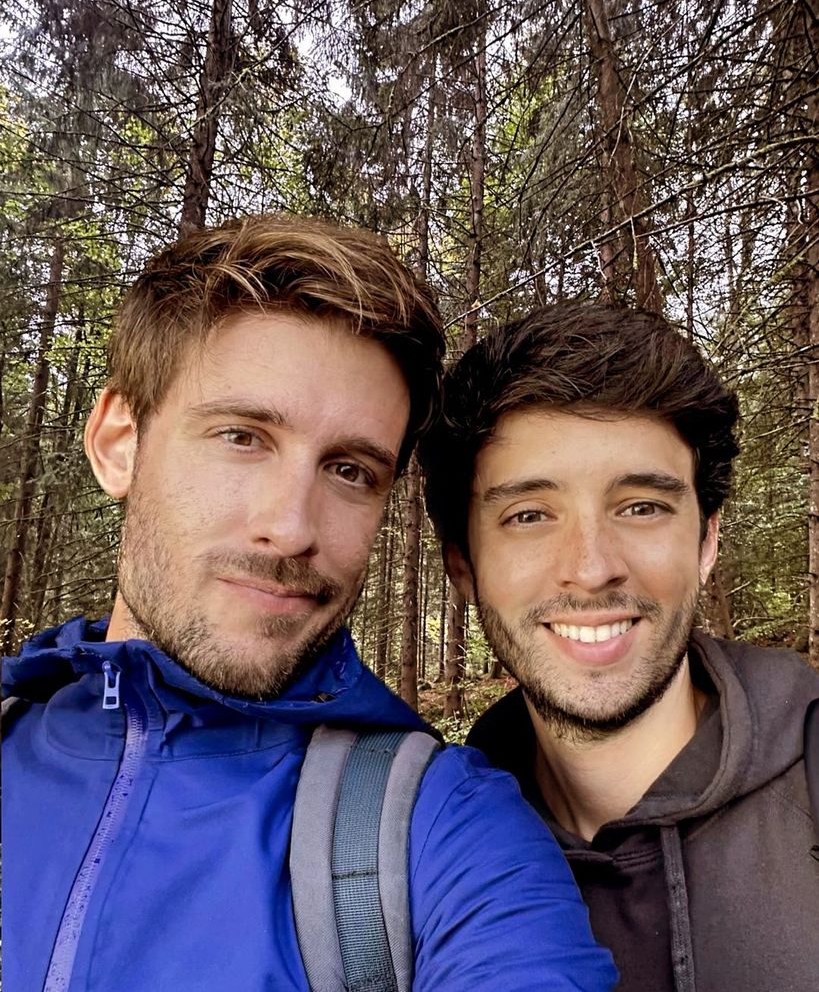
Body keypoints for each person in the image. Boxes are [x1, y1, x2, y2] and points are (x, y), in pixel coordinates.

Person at [2, 219, 616, 992]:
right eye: (241, 436)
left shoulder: (441, 828)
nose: (292, 527)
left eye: (351, 470)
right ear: (118, 442)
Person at [419, 302, 819, 992]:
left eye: (641, 506)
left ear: (705, 540)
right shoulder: (422, 846)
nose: (592, 564)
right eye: (529, 515)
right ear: (463, 566)